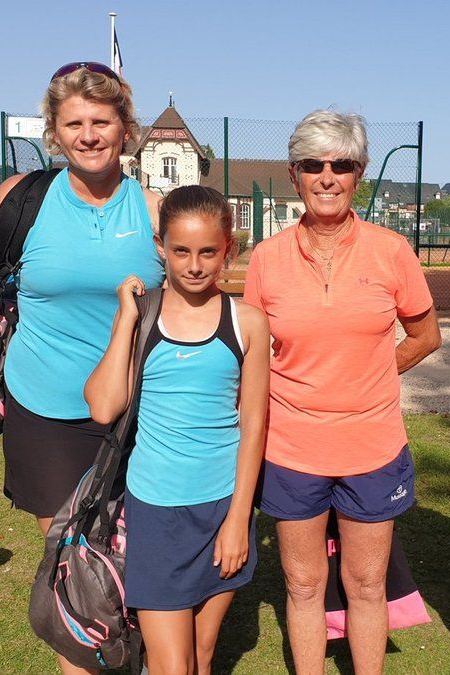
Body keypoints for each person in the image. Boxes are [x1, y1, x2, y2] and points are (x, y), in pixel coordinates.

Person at [0, 62, 163, 675]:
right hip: (47, 415)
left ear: (126, 128)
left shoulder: (154, 209)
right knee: (76, 566)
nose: (88, 135)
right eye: (73, 123)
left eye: (101, 121)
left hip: (141, 418)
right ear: (54, 133)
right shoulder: (22, 199)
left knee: (141, 561)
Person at [244, 109, 441, 675]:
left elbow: (425, 335)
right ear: (294, 175)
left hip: (371, 449)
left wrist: (374, 372)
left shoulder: (392, 251)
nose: (327, 177)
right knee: (304, 585)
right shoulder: (268, 258)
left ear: (359, 174)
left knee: (367, 583)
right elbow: (253, 353)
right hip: (291, 451)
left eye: (342, 165)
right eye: (313, 165)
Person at [85, 185, 269, 675]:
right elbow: (103, 407)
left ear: (228, 249)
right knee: (172, 666)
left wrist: (238, 519)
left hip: (222, 509)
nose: (194, 265)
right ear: (160, 246)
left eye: (208, 251)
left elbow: (254, 425)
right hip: (156, 512)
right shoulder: (143, 314)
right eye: (181, 250)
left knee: (202, 656)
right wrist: (126, 320)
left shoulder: (248, 322)